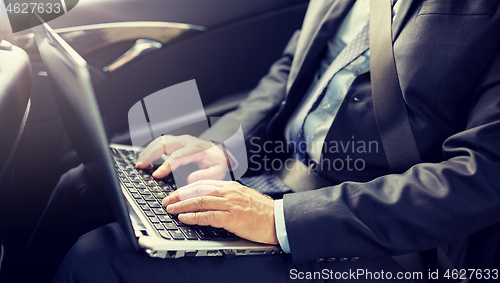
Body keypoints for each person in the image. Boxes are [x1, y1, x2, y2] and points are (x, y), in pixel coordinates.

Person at [35, 0, 500, 281]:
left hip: (382, 240)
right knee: (81, 187)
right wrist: (223, 149)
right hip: (276, 175)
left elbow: (483, 176)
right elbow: (290, 72)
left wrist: (278, 218)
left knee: (99, 261)